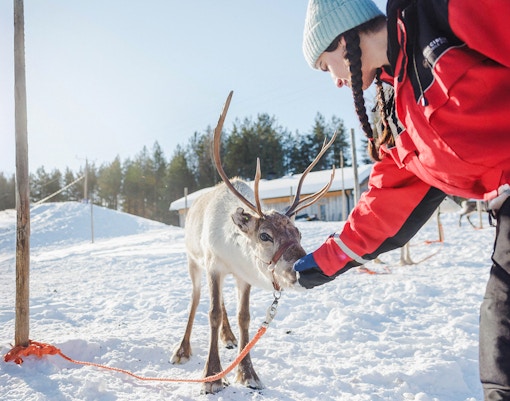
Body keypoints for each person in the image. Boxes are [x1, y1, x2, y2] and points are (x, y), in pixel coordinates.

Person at [294, 0, 510, 399]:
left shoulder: (440, 16)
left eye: (327, 68)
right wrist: (323, 262)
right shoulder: (398, 110)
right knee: (502, 349)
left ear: (343, 41)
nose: (336, 82)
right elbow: (387, 204)